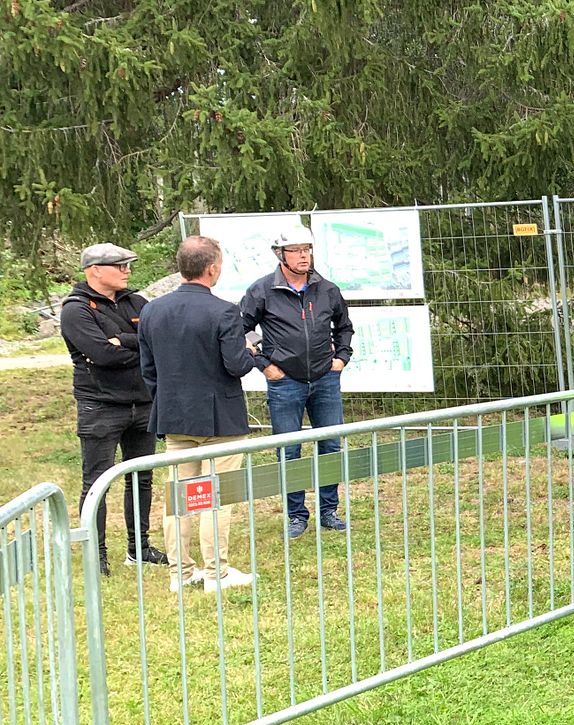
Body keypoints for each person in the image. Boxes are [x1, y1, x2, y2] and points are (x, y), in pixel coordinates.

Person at [138, 236, 258, 593]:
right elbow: (235, 365)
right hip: (220, 419)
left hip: (174, 418)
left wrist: (166, 401)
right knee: (217, 499)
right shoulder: (223, 310)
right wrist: (251, 349)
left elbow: (148, 370)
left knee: (178, 500)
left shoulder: (151, 311)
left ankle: (180, 572)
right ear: (212, 268)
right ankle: (215, 574)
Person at [239, 221, 355, 539]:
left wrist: (341, 358)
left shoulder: (327, 289)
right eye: (296, 250)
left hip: (324, 379)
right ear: (281, 255)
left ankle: (329, 510)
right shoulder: (262, 290)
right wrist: (263, 365)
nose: (304, 256)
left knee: (330, 444)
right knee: (288, 450)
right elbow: (240, 329)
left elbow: (344, 327)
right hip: (284, 382)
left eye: (307, 249)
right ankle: (296, 515)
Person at [58, 243, 168, 574]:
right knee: (97, 482)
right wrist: (135, 346)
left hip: (143, 402)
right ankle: (97, 554)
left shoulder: (137, 302)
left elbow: (159, 342)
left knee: (141, 478)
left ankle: (140, 548)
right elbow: (103, 355)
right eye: (119, 266)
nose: (127, 271)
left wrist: (124, 339)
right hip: (100, 406)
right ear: (95, 271)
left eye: (127, 265)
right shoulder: (76, 309)